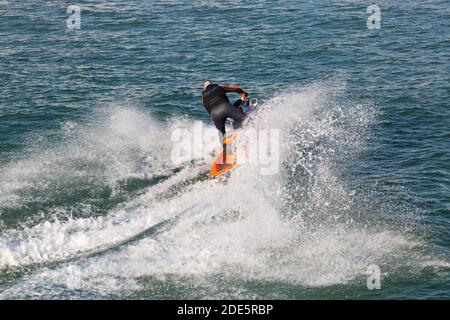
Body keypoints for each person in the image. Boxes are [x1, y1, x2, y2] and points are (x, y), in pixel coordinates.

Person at [201, 80, 248, 148]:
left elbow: (210, 113)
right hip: (226, 107)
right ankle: (240, 135)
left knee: (221, 134)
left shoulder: (203, 98)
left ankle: (225, 150)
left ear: (205, 88)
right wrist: (243, 93)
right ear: (212, 84)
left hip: (215, 114)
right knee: (245, 120)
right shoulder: (218, 87)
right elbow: (236, 89)